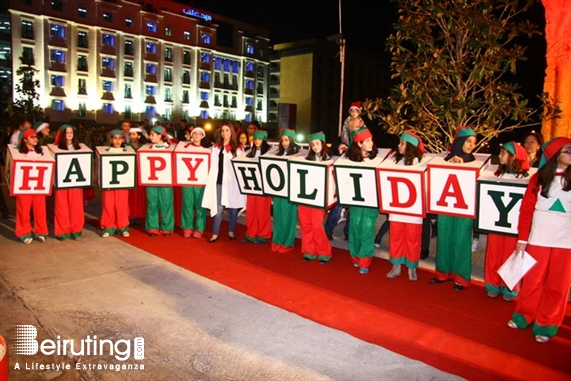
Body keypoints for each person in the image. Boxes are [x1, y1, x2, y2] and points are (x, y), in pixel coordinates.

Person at [507, 137, 571, 343]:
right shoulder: (538, 179)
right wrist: (522, 239)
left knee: (558, 285)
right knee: (532, 281)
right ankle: (524, 315)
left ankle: (547, 323)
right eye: (568, 151)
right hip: (538, 238)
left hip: (566, 241)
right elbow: (526, 211)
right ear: (555, 155)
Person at [430, 127, 478, 291]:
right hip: (445, 205)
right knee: (443, 238)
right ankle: (443, 273)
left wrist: (463, 165)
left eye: (474, 142)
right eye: (468, 141)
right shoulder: (445, 159)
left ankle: (461, 277)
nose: (471, 145)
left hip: (464, 208)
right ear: (460, 142)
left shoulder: (474, 161)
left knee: (461, 240)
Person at [484, 141, 530, 301]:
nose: (499, 156)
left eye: (503, 153)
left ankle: (510, 287)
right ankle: (492, 284)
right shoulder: (496, 174)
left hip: (514, 225)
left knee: (511, 254)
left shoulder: (526, 178)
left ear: (513, 157)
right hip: (495, 222)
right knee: (494, 253)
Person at [386, 131, 426, 281]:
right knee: (396, 237)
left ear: (409, 147)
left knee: (413, 238)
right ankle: (396, 266)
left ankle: (412, 267)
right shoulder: (394, 161)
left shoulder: (422, 164)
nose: (398, 145)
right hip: (396, 209)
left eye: (402, 143)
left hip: (413, 211)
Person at [202, 120, 245, 243]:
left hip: (233, 183)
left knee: (233, 207)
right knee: (219, 208)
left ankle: (231, 231)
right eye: (222, 131)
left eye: (227, 130)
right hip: (219, 181)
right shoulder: (216, 147)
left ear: (231, 132)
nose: (224, 133)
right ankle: (215, 233)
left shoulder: (238, 148)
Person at [345, 127, 379, 274]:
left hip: (371, 201)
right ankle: (355, 256)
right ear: (359, 144)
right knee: (355, 227)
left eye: (371, 140)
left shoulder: (378, 159)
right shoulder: (348, 160)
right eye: (368, 141)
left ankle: (365, 260)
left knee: (367, 228)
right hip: (355, 200)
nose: (371, 143)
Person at [298, 132, 332, 263]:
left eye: (317, 144)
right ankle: (309, 250)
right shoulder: (308, 158)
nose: (315, 147)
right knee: (305, 224)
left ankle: (324, 251)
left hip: (319, 198)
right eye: (313, 144)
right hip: (305, 197)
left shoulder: (329, 159)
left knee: (317, 225)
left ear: (323, 144)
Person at [14, 128, 48, 244]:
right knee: (23, 209)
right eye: (32, 137)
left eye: (36, 137)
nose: (35, 139)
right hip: (24, 186)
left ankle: (41, 231)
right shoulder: (19, 153)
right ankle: (24, 232)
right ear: (24, 139)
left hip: (39, 185)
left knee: (40, 209)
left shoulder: (42, 152)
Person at [53, 124, 85, 240]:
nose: (69, 134)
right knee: (61, 207)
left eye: (71, 132)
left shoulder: (80, 148)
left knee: (76, 206)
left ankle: (76, 229)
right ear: (62, 135)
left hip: (76, 182)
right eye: (67, 132)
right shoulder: (55, 148)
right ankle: (62, 231)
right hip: (61, 182)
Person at [271, 128, 300, 253]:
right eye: (282, 140)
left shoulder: (298, 155)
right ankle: (277, 240)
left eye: (286, 140)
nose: (284, 143)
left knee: (289, 217)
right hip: (278, 190)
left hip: (290, 191)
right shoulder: (277, 154)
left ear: (292, 141)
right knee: (278, 216)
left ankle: (288, 242)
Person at [242, 130, 272, 244]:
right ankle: (251, 233)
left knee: (263, 211)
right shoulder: (250, 152)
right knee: (251, 210)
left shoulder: (269, 152)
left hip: (264, 186)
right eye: (255, 139)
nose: (257, 141)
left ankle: (263, 234)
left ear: (263, 140)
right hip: (252, 185)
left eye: (259, 139)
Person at [145, 126, 174, 237]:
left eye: (152, 134)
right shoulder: (146, 148)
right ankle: (152, 227)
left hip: (166, 181)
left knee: (166, 203)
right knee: (152, 204)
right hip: (151, 181)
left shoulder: (171, 149)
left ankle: (166, 227)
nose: (150, 137)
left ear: (160, 135)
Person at [100, 130, 130, 238]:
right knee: (108, 204)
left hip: (123, 183)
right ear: (111, 139)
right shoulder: (105, 151)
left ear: (123, 139)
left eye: (120, 138)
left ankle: (122, 227)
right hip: (108, 183)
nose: (117, 141)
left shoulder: (128, 152)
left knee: (121, 205)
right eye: (115, 138)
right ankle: (108, 226)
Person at [180, 127, 208, 238]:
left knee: (200, 205)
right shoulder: (184, 148)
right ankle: (187, 227)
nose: (197, 136)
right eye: (195, 134)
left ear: (203, 136)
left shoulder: (207, 150)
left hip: (201, 182)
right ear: (191, 135)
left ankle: (200, 228)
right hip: (187, 180)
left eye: (199, 134)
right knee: (187, 204)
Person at [126, 127, 147, 227]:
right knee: (130, 197)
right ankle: (129, 216)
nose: (132, 137)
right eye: (130, 134)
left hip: (140, 175)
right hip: (130, 176)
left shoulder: (144, 147)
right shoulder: (126, 147)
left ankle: (136, 215)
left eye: (134, 134)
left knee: (138, 197)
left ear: (139, 136)